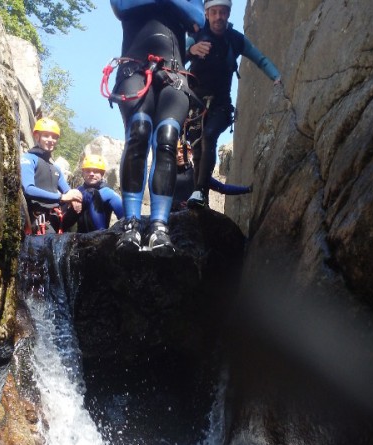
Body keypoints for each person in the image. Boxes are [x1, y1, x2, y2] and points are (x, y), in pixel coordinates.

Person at [109, 0, 205, 254]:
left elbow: (199, 18)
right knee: (138, 134)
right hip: (134, 71)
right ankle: (131, 222)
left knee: (167, 139)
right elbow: (121, 7)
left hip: (173, 75)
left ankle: (159, 225)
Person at [185, 0, 281, 208]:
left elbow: (260, 59)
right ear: (207, 15)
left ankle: (200, 192)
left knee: (209, 135)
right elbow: (176, 57)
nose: (219, 17)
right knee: (198, 153)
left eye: (223, 12)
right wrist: (191, 50)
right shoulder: (196, 36)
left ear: (228, 14)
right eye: (214, 12)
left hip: (221, 105)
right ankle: (200, 203)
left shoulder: (235, 40)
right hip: (195, 104)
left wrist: (276, 76)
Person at [21, 118, 83, 234]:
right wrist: (60, 198)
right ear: (36, 136)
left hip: (54, 219)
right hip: (36, 219)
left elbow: (67, 192)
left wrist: (75, 198)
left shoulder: (55, 168)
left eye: (54, 137)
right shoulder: (28, 159)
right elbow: (28, 189)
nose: (51, 140)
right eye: (46, 136)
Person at [172, 140, 251, 211]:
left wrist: (248, 189)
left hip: (196, 216)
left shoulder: (198, 175)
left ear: (190, 153)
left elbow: (223, 188)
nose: (179, 155)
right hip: (172, 216)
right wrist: (176, 204)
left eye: (182, 151)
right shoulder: (168, 176)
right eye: (175, 152)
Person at [62, 154, 125, 232]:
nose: (91, 174)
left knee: (91, 193)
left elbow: (124, 217)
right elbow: (65, 221)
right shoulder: (77, 191)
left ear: (102, 174)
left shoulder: (109, 193)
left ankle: (101, 235)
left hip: (100, 238)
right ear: (83, 173)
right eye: (88, 171)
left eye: (96, 171)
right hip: (80, 238)